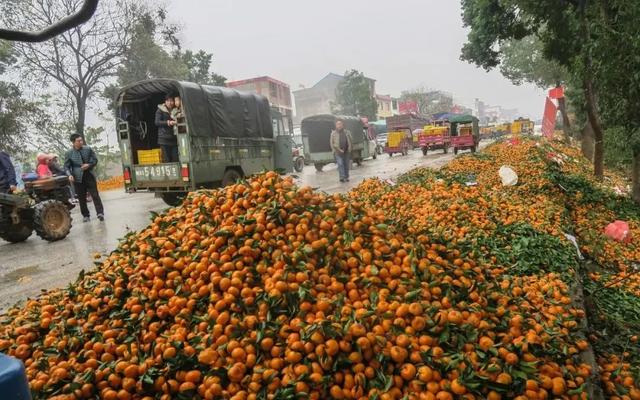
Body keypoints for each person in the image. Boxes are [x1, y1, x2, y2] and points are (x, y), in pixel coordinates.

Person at [64, 134, 104, 222]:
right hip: (77, 178)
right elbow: (66, 167)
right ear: (73, 142)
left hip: (89, 175)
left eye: (81, 140)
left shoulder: (88, 149)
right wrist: (69, 175)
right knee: (81, 198)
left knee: (95, 195)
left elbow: (95, 160)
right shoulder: (69, 153)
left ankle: (100, 213)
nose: (81, 142)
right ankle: (85, 215)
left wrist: (88, 165)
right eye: (78, 141)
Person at [155, 94, 178, 162]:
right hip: (164, 139)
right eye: (168, 101)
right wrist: (168, 122)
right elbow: (157, 122)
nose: (170, 103)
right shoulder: (160, 110)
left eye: (171, 101)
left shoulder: (175, 110)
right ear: (165, 102)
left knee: (176, 159)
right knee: (166, 160)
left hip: (174, 139)